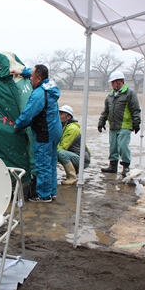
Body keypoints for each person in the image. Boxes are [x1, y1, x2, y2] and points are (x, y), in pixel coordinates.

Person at [12, 64, 62, 203]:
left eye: (32, 77)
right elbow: (34, 73)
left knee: (43, 164)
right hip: (55, 130)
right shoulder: (49, 85)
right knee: (51, 162)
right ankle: (52, 192)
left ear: (39, 79)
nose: (30, 79)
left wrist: (17, 125)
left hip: (45, 131)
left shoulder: (39, 94)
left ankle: (44, 196)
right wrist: (22, 72)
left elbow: (28, 114)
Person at [98, 70, 141, 177]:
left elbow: (135, 109)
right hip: (113, 125)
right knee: (113, 147)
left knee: (123, 146)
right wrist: (101, 121)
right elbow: (106, 111)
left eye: (113, 82)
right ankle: (113, 166)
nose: (112, 84)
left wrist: (136, 122)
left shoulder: (130, 93)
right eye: (111, 83)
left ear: (120, 81)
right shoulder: (110, 95)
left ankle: (126, 166)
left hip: (125, 125)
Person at [57, 105, 91, 185]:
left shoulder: (72, 128)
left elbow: (63, 147)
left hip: (83, 159)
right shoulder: (65, 126)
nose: (59, 116)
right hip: (78, 156)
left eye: (61, 114)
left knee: (60, 153)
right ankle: (74, 172)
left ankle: (72, 177)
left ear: (68, 117)